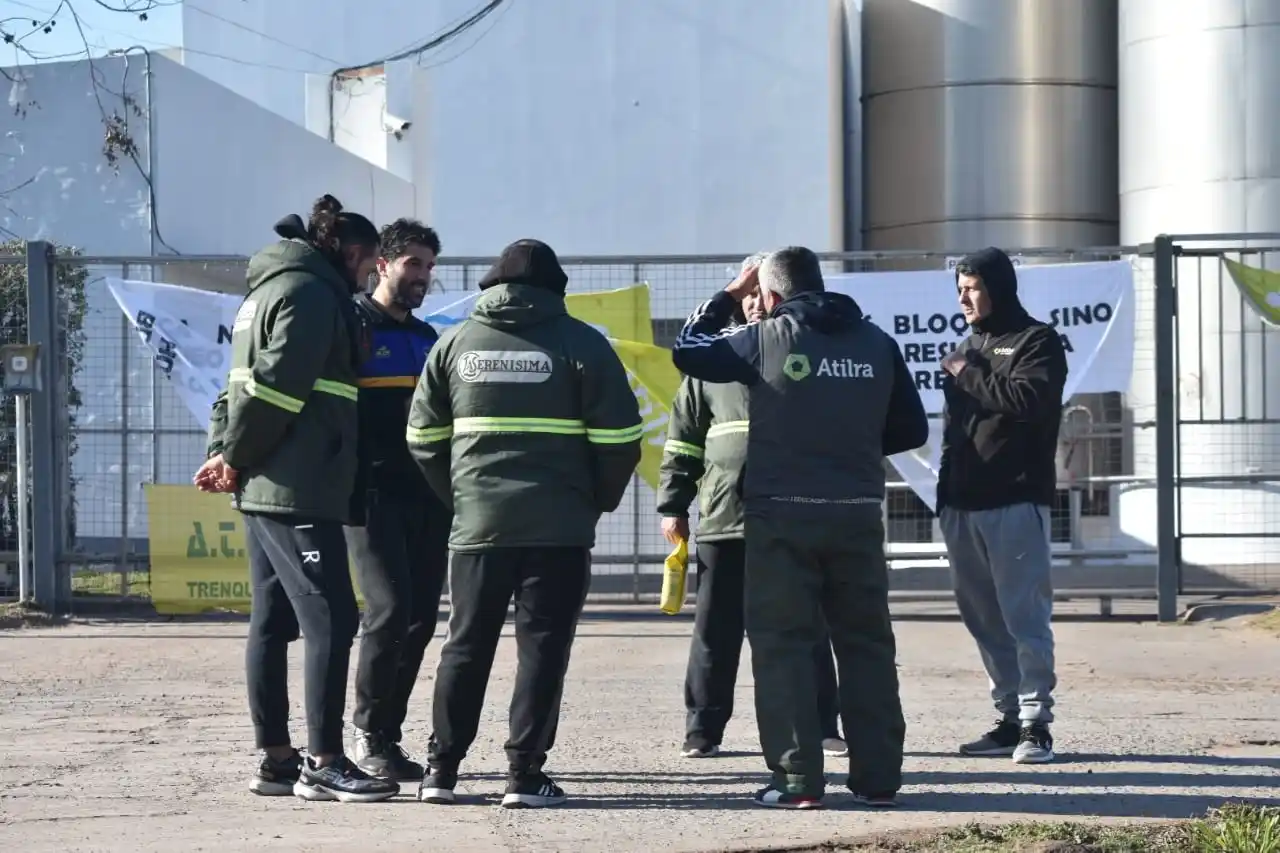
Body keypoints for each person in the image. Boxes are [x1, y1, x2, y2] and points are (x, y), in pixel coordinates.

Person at [671, 246, 928, 810]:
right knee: (866, 645)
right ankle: (879, 778)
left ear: (770, 295)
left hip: (781, 514)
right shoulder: (876, 342)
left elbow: (688, 352)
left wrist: (728, 298)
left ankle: (795, 782)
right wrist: (847, 444)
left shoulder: (766, 337)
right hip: (857, 513)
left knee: (783, 645)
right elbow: (911, 427)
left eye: (758, 294)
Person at [404, 238, 642, 809]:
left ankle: (441, 771)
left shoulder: (455, 343)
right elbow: (621, 439)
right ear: (555, 289)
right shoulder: (584, 343)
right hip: (558, 530)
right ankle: (524, 776)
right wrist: (593, 503)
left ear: (492, 285)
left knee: (464, 645)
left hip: (477, 528)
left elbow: (422, 438)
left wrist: (461, 499)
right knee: (542, 649)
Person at [195, 194, 399, 803]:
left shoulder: (262, 293)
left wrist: (226, 453)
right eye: (368, 271)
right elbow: (279, 390)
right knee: (332, 619)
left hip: (269, 483)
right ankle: (325, 761)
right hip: (297, 485)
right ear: (353, 252)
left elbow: (233, 389)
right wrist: (234, 456)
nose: (367, 283)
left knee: (273, 620)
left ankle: (277, 760)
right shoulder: (310, 294)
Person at [658, 254, 848, 761]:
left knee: (807, 624)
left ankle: (822, 723)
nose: (756, 306)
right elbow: (683, 441)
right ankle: (703, 729)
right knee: (715, 630)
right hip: (726, 517)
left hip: (792, 514)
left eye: (760, 295)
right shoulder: (712, 363)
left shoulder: (801, 354)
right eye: (746, 298)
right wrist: (673, 505)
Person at [937, 247, 1068, 765]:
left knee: (1023, 616)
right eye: (960, 289)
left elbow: (1027, 404)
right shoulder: (968, 346)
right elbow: (956, 433)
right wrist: (944, 495)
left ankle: (1037, 725)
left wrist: (968, 373)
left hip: (1015, 500)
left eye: (973, 288)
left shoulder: (1037, 342)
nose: (964, 298)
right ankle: (1009, 716)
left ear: (999, 287)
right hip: (961, 506)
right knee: (983, 619)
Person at [346, 218, 451, 781]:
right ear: (381, 264)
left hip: (429, 498)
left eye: (429, 266)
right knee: (387, 612)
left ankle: (386, 735)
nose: (423, 276)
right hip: (371, 495)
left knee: (419, 620)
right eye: (413, 263)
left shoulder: (429, 339)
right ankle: (366, 733)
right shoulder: (352, 326)